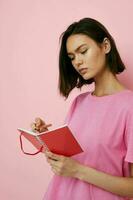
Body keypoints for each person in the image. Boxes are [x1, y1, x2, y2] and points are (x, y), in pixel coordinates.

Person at [31, 18, 133, 199]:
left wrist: (77, 170)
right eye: (71, 57)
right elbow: (72, 160)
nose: (77, 61)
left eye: (83, 51)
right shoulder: (80, 102)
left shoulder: (129, 106)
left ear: (106, 46)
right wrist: (48, 140)